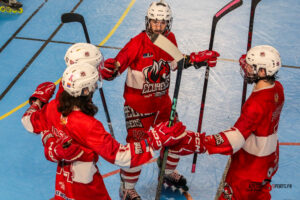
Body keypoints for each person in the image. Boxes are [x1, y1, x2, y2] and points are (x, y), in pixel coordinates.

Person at [99, 1, 220, 199]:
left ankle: (166, 173)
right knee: (137, 148)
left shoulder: (169, 38)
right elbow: (118, 65)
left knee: (176, 136)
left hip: (162, 103)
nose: (158, 27)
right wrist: (109, 70)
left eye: (162, 23)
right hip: (138, 107)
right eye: (154, 22)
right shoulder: (136, 42)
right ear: (148, 21)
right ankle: (127, 188)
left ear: (168, 24)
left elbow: (176, 62)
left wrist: (196, 59)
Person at [21, 62, 188, 200]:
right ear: (85, 91)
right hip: (86, 188)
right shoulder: (88, 125)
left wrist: (37, 102)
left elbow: (28, 122)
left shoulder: (52, 108)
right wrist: (154, 140)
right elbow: (120, 156)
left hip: (63, 184)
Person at [161, 45, 284, 200]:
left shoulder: (256, 104)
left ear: (262, 72)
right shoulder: (277, 89)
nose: (246, 68)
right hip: (268, 161)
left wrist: (196, 142)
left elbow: (235, 139)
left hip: (248, 168)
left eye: (251, 67)